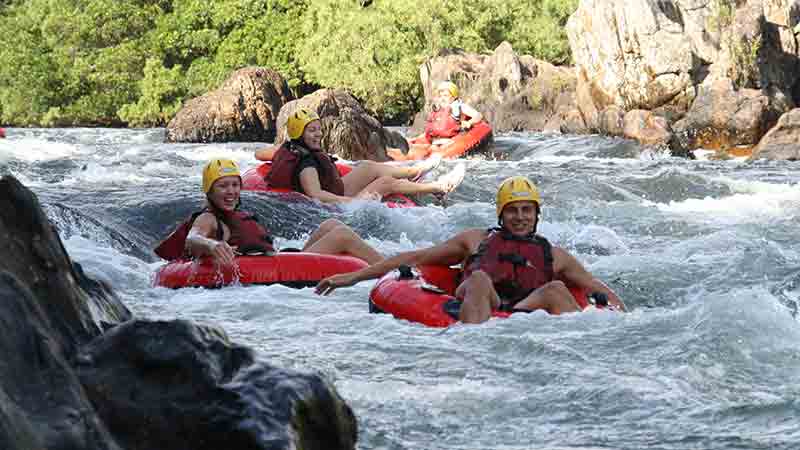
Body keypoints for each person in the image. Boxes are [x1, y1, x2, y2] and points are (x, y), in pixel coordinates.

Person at [316, 176, 625, 324]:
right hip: (481, 301)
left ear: (536, 214)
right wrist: (354, 277)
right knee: (478, 280)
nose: (520, 217)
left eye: (526, 211)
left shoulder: (555, 255)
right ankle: (474, 350)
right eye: (512, 211)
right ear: (501, 215)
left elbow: (595, 286)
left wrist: (620, 316)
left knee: (557, 288)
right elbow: (413, 258)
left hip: (521, 310)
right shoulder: (474, 240)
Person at [154, 158, 383, 266]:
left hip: (281, 262)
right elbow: (193, 238)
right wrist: (213, 245)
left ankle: (386, 265)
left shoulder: (232, 213)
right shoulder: (208, 217)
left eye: (235, 185)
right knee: (341, 236)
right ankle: (391, 270)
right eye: (223, 186)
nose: (231, 191)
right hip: (274, 270)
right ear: (210, 190)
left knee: (332, 224)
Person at [257, 108, 462, 204]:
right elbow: (315, 195)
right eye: (311, 130)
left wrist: (275, 154)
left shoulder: (291, 148)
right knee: (385, 182)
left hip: (337, 188)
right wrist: (349, 203)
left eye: (319, 129)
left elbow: (259, 154)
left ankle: (415, 171)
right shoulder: (307, 163)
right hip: (338, 205)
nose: (318, 134)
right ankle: (437, 188)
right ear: (298, 133)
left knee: (368, 167)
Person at [389, 81, 483, 161]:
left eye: (446, 95)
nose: (442, 98)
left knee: (428, 150)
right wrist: (416, 139)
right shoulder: (438, 110)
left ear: (453, 97)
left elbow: (478, 115)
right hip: (435, 143)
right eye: (440, 96)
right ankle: (396, 151)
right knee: (415, 147)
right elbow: (432, 132)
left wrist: (469, 122)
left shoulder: (459, 107)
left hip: (450, 143)